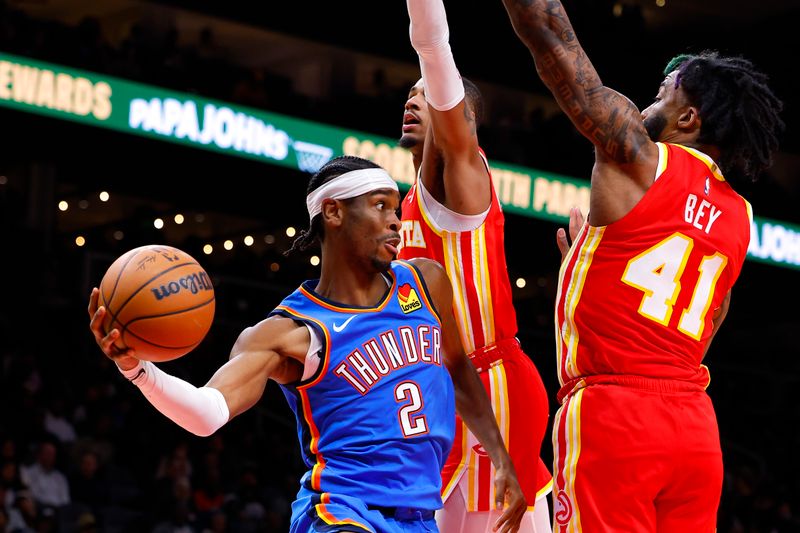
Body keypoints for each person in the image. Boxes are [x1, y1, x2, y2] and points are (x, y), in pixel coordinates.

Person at [88, 155, 526, 533]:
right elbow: (207, 414)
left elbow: (458, 369)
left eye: (396, 208)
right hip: (342, 514)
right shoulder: (290, 332)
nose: (396, 220)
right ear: (333, 213)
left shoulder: (426, 282)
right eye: (379, 206)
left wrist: (502, 457)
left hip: (419, 517)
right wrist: (137, 370)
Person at [497, 0, 784, 530]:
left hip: (616, 415)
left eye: (662, 94)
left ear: (687, 118)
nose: (649, 102)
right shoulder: (740, 217)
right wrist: (594, 278)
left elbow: (548, 31)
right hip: (695, 426)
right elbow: (712, 316)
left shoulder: (636, 156)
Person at [397, 1, 553, 531]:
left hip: (492, 381)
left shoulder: (461, 178)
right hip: (441, 388)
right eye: (408, 96)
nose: (411, 102)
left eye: (424, 96)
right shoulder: (405, 205)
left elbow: (435, 55)